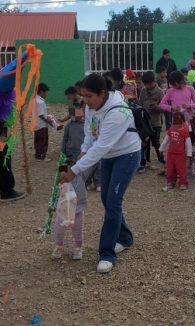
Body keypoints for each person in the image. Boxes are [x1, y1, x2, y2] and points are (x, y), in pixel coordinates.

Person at [59, 74, 142, 274]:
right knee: (107, 199)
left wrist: (74, 171)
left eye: (89, 96)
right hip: (109, 156)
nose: (86, 101)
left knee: (113, 202)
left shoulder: (118, 112)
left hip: (127, 155)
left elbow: (101, 147)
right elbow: (90, 135)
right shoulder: (91, 107)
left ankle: (107, 254)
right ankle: (125, 238)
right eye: (84, 96)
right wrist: (81, 153)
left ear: (102, 93)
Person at [52, 159, 88, 261]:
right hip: (63, 208)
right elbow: (58, 180)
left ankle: (78, 248)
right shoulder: (63, 168)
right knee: (59, 229)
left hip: (78, 207)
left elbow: (88, 164)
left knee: (78, 230)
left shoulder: (81, 171)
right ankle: (59, 246)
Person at [138, 71, 165, 172]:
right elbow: (140, 104)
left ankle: (161, 160)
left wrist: (156, 107)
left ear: (154, 81)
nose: (147, 86)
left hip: (156, 122)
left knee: (156, 142)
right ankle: (144, 162)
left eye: (149, 84)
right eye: (145, 84)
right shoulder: (143, 91)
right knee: (145, 143)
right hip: (145, 122)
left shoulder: (160, 92)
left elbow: (164, 108)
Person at [159, 112, 192, 190]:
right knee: (170, 169)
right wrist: (161, 149)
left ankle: (183, 183)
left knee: (181, 169)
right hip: (171, 153)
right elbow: (166, 140)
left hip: (180, 154)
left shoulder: (185, 130)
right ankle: (171, 182)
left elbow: (188, 143)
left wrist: (189, 154)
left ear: (183, 121)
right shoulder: (171, 129)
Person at [34, 83, 55, 161]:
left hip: (36, 124)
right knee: (43, 141)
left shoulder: (35, 100)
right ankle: (42, 156)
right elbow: (41, 115)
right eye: (46, 92)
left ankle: (38, 155)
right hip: (42, 125)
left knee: (38, 140)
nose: (47, 94)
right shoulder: (40, 102)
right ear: (42, 92)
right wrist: (49, 122)